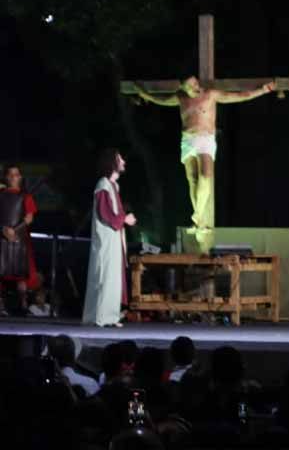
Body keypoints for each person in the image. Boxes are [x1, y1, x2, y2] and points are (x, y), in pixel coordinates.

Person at [132, 77, 274, 246]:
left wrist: (262, 90)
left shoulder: (210, 94)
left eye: (196, 83)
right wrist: (142, 93)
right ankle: (199, 222)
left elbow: (239, 95)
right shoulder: (181, 97)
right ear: (184, 87)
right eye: (192, 86)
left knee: (206, 177)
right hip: (187, 140)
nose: (196, 87)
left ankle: (197, 217)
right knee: (192, 180)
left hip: (205, 139)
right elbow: (159, 100)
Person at [82, 148, 136, 327]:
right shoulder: (103, 184)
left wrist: (123, 219)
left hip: (113, 238)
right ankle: (100, 316)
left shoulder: (113, 185)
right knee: (104, 276)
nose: (123, 162)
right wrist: (124, 219)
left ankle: (110, 315)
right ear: (112, 162)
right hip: (105, 239)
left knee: (112, 277)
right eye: (120, 159)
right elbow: (105, 214)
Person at [0, 164, 41, 314]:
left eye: (16, 174)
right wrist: (3, 229)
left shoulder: (26, 196)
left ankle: (23, 306)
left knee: (21, 274)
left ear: (20, 177)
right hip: (1, 237)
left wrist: (13, 231)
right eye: (10, 174)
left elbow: (29, 219)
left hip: (20, 239)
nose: (13, 177)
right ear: (5, 177)